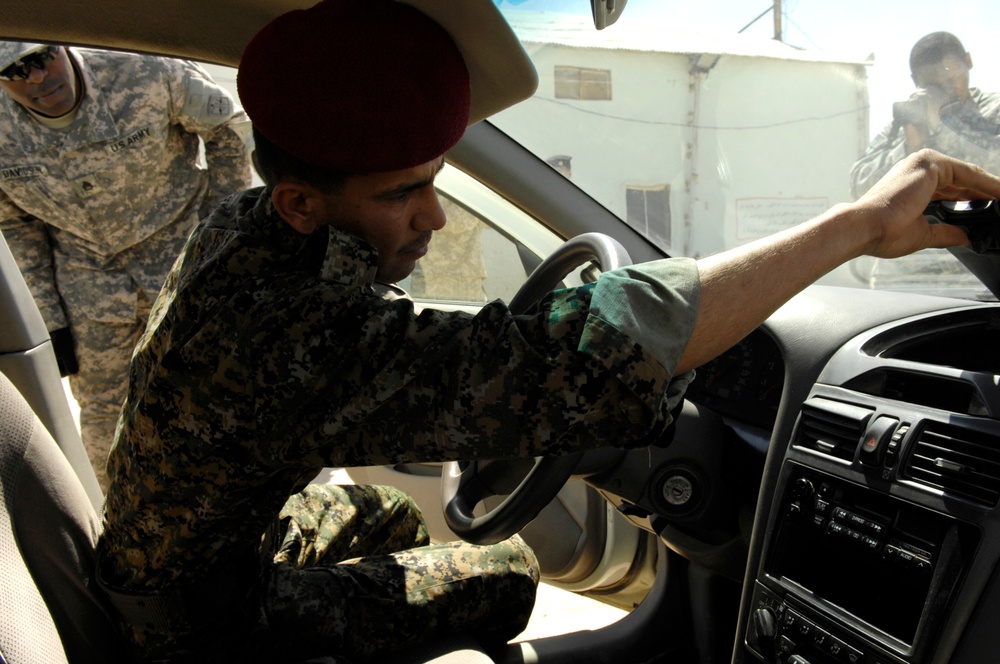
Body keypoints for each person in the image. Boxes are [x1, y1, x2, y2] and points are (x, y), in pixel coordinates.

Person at [95, 1, 1000, 662]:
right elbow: (579, 357)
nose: (435, 220)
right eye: (402, 192)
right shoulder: (292, 343)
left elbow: (424, 359)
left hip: (178, 551)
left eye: (433, 180)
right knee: (507, 573)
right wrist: (856, 225)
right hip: (203, 626)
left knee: (389, 514)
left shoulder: (249, 227)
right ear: (303, 202)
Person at [0, 42, 253, 490]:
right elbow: (16, 226)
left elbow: (229, 125)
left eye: (41, 58)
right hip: (87, 282)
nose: (36, 78)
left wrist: (222, 230)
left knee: (216, 391)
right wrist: (50, 319)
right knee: (103, 420)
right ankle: (121, 525)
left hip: (184, 261)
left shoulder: (144, 68)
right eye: (14, 71)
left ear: (61, 44)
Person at [849, 31, 1000, 290]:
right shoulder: (903, 125)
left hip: (977, 279)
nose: (948, 90)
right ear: (915, 82)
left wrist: (944, 125)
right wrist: (912, 147)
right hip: (903, 281)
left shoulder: (992, 110)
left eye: (953, 79)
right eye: (934, 85)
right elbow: (860, 187)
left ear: (968, 61)